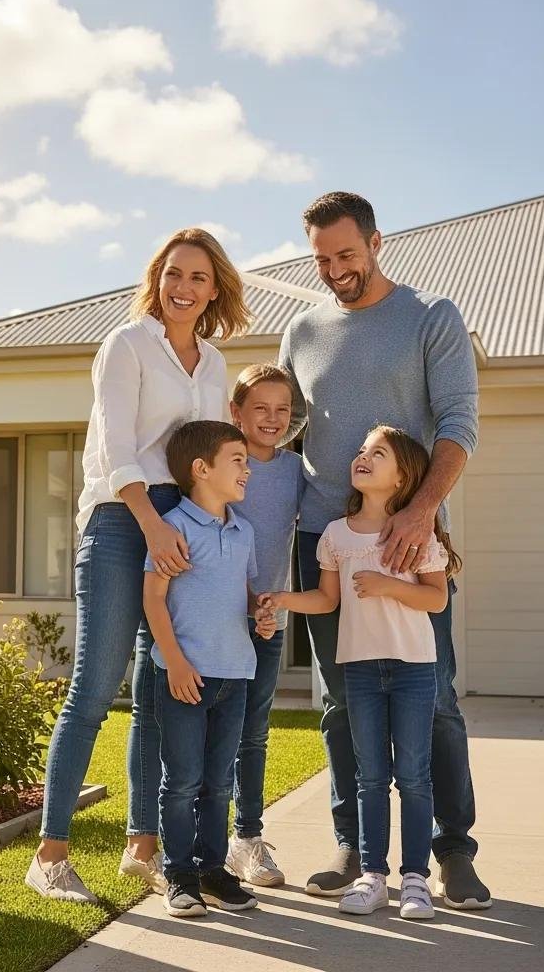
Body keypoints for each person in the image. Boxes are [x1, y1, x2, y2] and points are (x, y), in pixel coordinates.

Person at [278, 191, 489, 908]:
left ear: (376, 242)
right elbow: (287, 433)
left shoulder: (431, 317)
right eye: (322, 258)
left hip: (407, 538)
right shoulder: (302, 331)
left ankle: (453, 850)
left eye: (346, 253)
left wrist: (421, 511)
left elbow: (459, 420)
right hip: (324, 538)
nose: (336, 269)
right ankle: (355, 844)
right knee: (341, 701)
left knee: (433, 701)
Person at [26, 229, 251, 903]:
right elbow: (117, 448)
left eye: (199, 279)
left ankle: (142, 848)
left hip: (180, 524)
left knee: (159, 695)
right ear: (157, 278)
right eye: (174, 274)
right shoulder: (125, 345)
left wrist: (200, 530)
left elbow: (206, 455)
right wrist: (152, 524)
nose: (184, 288)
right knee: (94, 688)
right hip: (124, 521)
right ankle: (50, 855)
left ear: (215, 290)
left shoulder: (212, 364)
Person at [265, 426, 458, 920]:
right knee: (371, 777)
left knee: (414, 777)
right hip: (361, 671)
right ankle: (373, 875)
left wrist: (387, 586)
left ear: (402, 477)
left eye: (378, 453)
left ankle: (415, 878)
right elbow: (326, 600)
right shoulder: (335, 534)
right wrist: (284, 598)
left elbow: (436, 598)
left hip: (415, 668)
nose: (362, 457)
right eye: (361, 450)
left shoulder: (418, 532)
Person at [143, 420, 277, 917]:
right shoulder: (172, 528)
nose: (247, 468)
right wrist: (175, 662)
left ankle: (212, 868)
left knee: (220, 781)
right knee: (181, 780)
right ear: (202, 469)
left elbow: (239, 595)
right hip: (183, 675)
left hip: (235, 674)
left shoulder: (243, 532)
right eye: (237, 459)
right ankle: (178, 872)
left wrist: (258, 617)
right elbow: (154, 600)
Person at [225, 364, 305, 888]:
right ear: (237, 413)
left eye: (283, 409)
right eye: (261, 408)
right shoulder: (221, 463)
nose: (273, 419)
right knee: (208, 733)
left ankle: (247, 840)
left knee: (253, 734)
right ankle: (190, 841)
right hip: (213, 618)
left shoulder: (298, 472)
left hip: (266, 624)